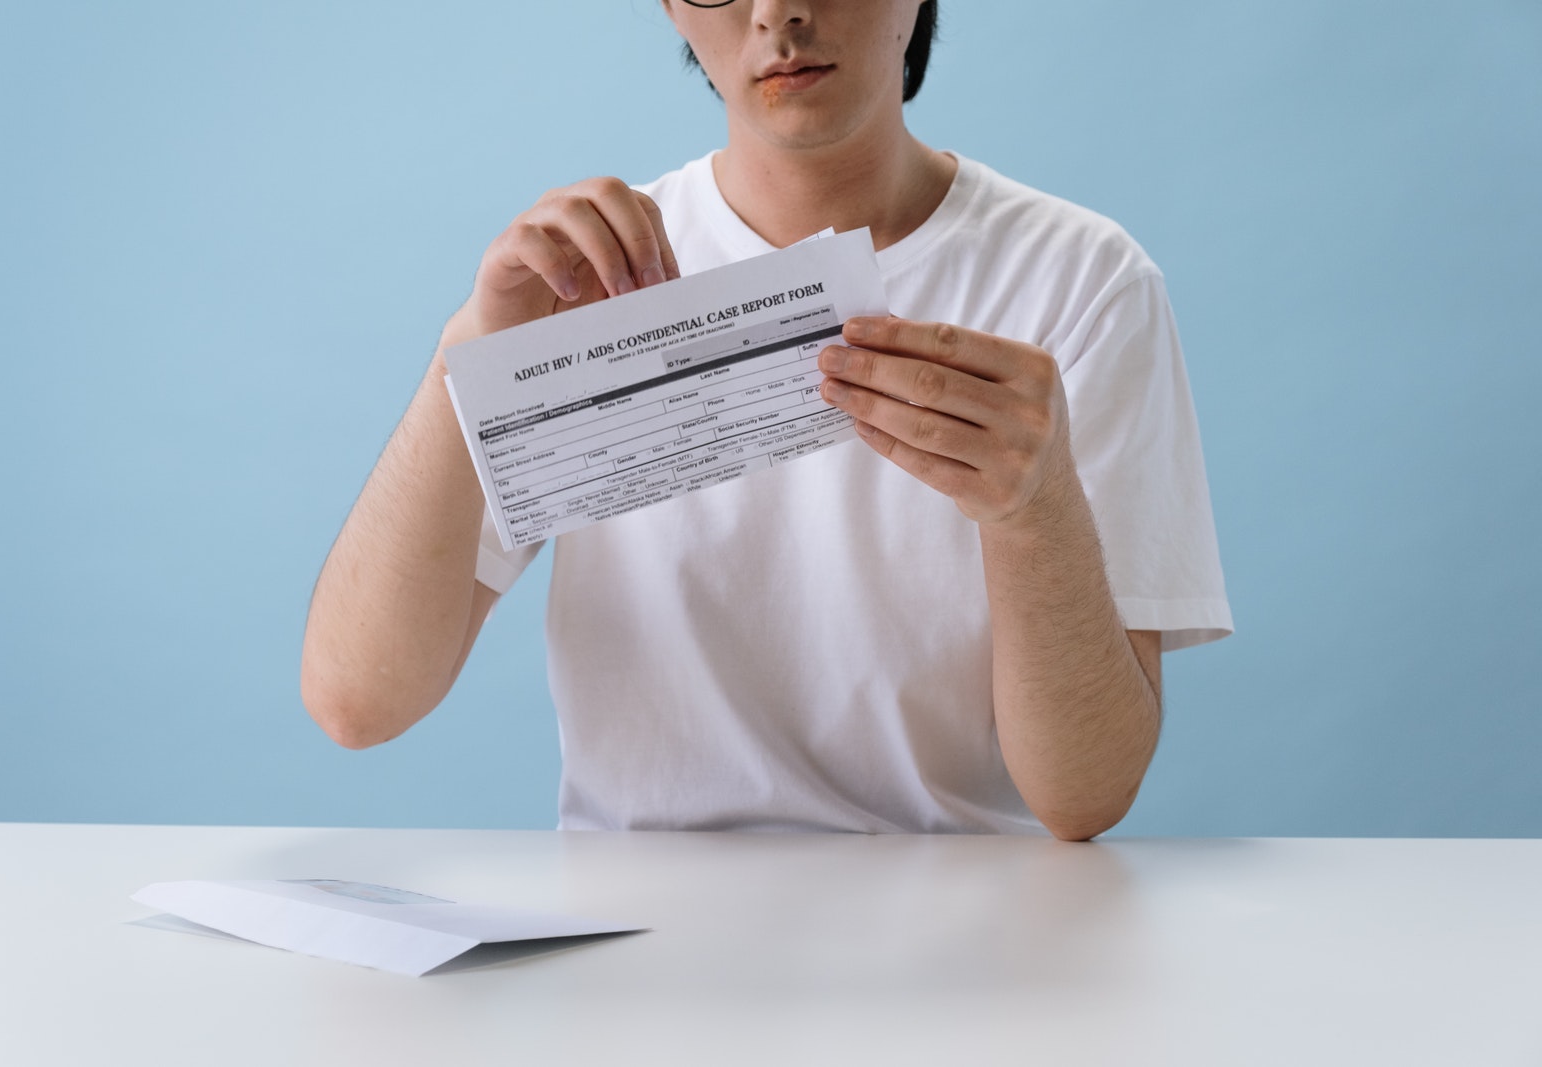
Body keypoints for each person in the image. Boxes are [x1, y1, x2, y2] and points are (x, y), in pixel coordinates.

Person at [300, 0, 1231, 841]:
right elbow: (357, 702)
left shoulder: (1084, 283)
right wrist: (464, 361)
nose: (779, 13)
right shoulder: (592, 287)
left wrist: (1036, 511)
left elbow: (1085, 797)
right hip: (639, 946)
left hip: (968, 939)